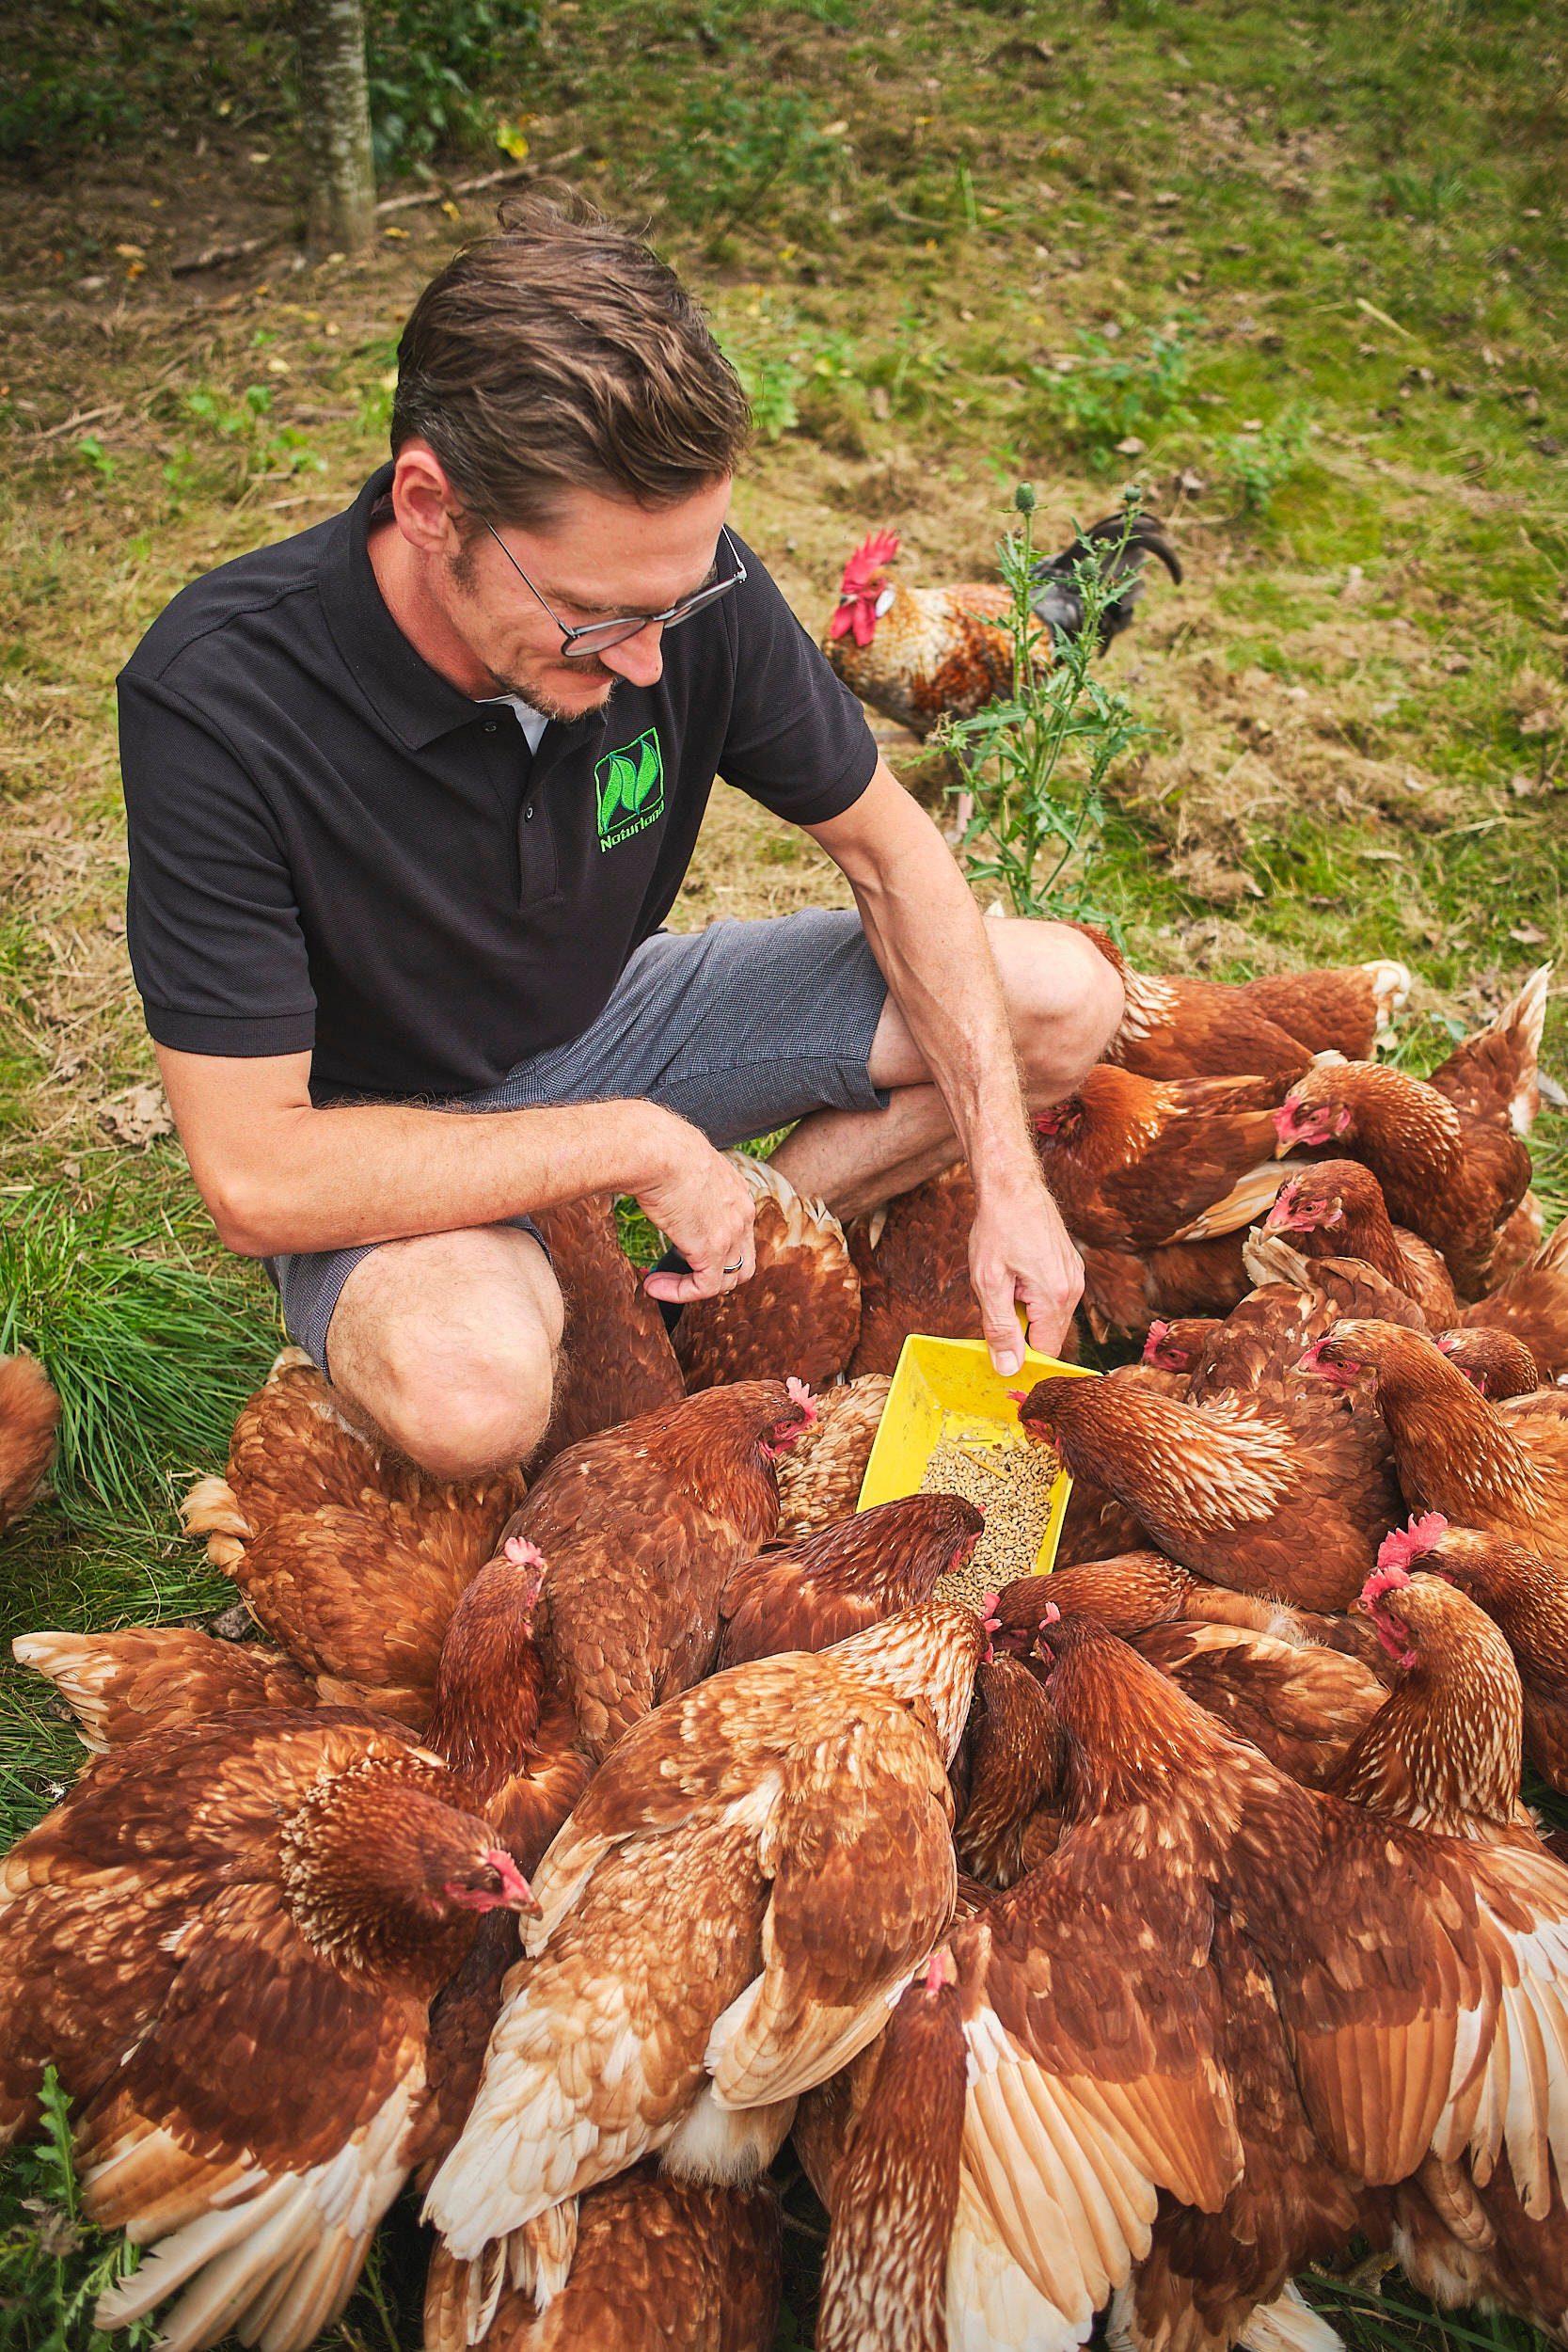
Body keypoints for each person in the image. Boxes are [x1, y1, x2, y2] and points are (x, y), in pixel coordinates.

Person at [119, 192, 1122, 1480]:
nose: (652, 658)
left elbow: (893, 852)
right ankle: (564, 1275)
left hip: (605, 1022)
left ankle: (694, 1295)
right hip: (375, 1123)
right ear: (431, 505)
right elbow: (255, 1174)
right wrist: (638, 1143)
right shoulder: (222, 701)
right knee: (468, 1393)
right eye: (596, 617)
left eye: (678, 598)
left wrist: (1009, 1181)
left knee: (1057, 998)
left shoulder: (672, 591)